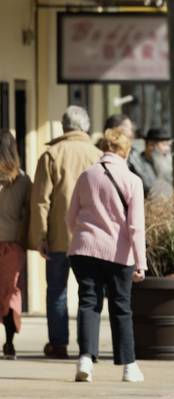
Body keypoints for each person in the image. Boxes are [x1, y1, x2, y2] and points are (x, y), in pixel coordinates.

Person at [66, 128, 146, 383]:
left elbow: (71, 216)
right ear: (126, 151)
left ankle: (85, 360)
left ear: (104, 148)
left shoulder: (86, 175)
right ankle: (128, 367)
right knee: (121, 307)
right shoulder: (133, 180)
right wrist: (140, 262)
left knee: (88, 302)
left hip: (84, 249)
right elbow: (135, 226)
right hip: (118, 253)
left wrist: (84, 234)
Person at [29, 105, 103, 359]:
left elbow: (41, 201)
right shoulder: (98, 155)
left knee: (56, 290)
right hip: (90, 238)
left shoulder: (51, 155)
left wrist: (40, 236)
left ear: (63, 127)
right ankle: (88, 347)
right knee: (89, 293)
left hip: (58, 237)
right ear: (86, 127)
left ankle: (58, 344)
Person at [0, 130, 31, 360]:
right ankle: (9, 342)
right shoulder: (23, 180)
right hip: (14, 245)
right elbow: (28, 212)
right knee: (11, 291)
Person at [131, 127, 173, 199]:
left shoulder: (168, 162)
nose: (167, 149)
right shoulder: (137, 165)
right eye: (164, 144)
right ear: (151, 145)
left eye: (168, 145)